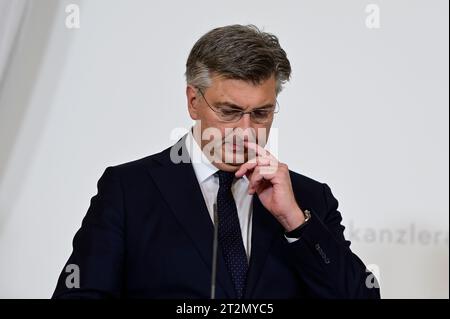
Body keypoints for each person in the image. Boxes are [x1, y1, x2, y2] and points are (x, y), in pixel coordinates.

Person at [52, 24, 380, 299]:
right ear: (194, 102)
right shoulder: (128, 191)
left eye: (261, 113)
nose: (245, 130)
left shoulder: (308, 200)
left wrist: (295, 221)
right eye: (229, 112)